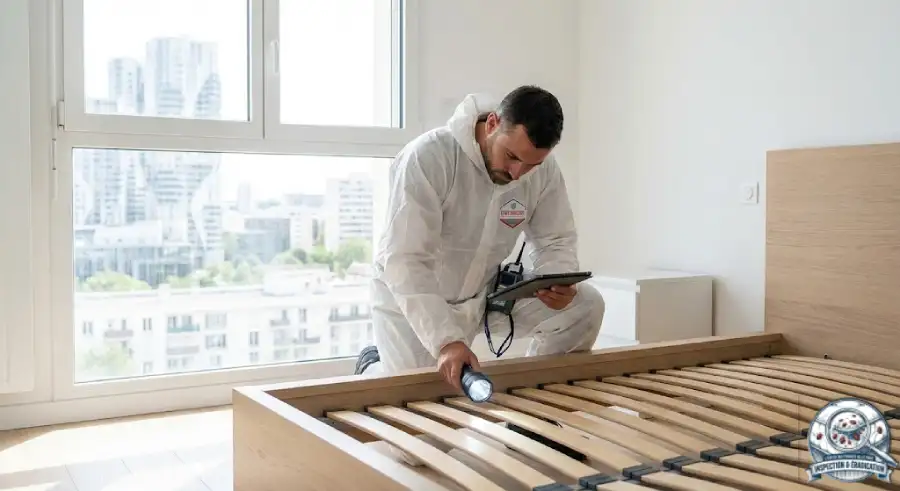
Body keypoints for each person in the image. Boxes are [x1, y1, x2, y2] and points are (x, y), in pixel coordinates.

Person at [355, 85, 606, 393]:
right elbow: (405, 260)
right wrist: (447, 341)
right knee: (422, 408)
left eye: (532, 164)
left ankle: (536, 399)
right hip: (415, 302)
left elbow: (556, 239)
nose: (518, 173)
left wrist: (556, 279)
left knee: (586, 306)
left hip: (480, 296)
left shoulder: (540, 172)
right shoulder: (429, 157)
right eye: (512, 157)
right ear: (492, 124)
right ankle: (373, 365)